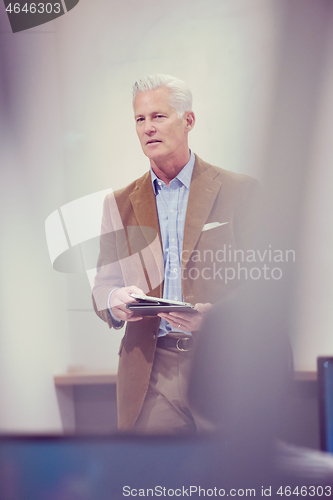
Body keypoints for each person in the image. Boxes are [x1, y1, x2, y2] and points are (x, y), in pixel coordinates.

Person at [92, 74, 261, 433]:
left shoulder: (240, 191)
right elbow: (101, 287)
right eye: (140, 119)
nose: (148, 128)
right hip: (150, 371)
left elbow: (264, 284)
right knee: (158, 483)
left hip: (221, 364)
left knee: (228, 483)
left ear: (188, 121)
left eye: (159, 116)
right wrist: (114, 298)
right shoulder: (117, 203)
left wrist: (218, 319)